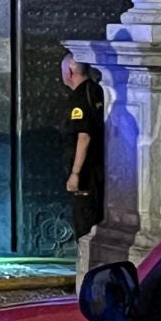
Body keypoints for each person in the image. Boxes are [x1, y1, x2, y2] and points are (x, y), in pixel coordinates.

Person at [61, 53, 105, 243]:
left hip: (87, 177)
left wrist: (75, 173)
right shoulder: (97, 90)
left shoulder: (79, 98)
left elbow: (83, 136)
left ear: (69, 72)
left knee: (85, 225)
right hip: (100, 171)